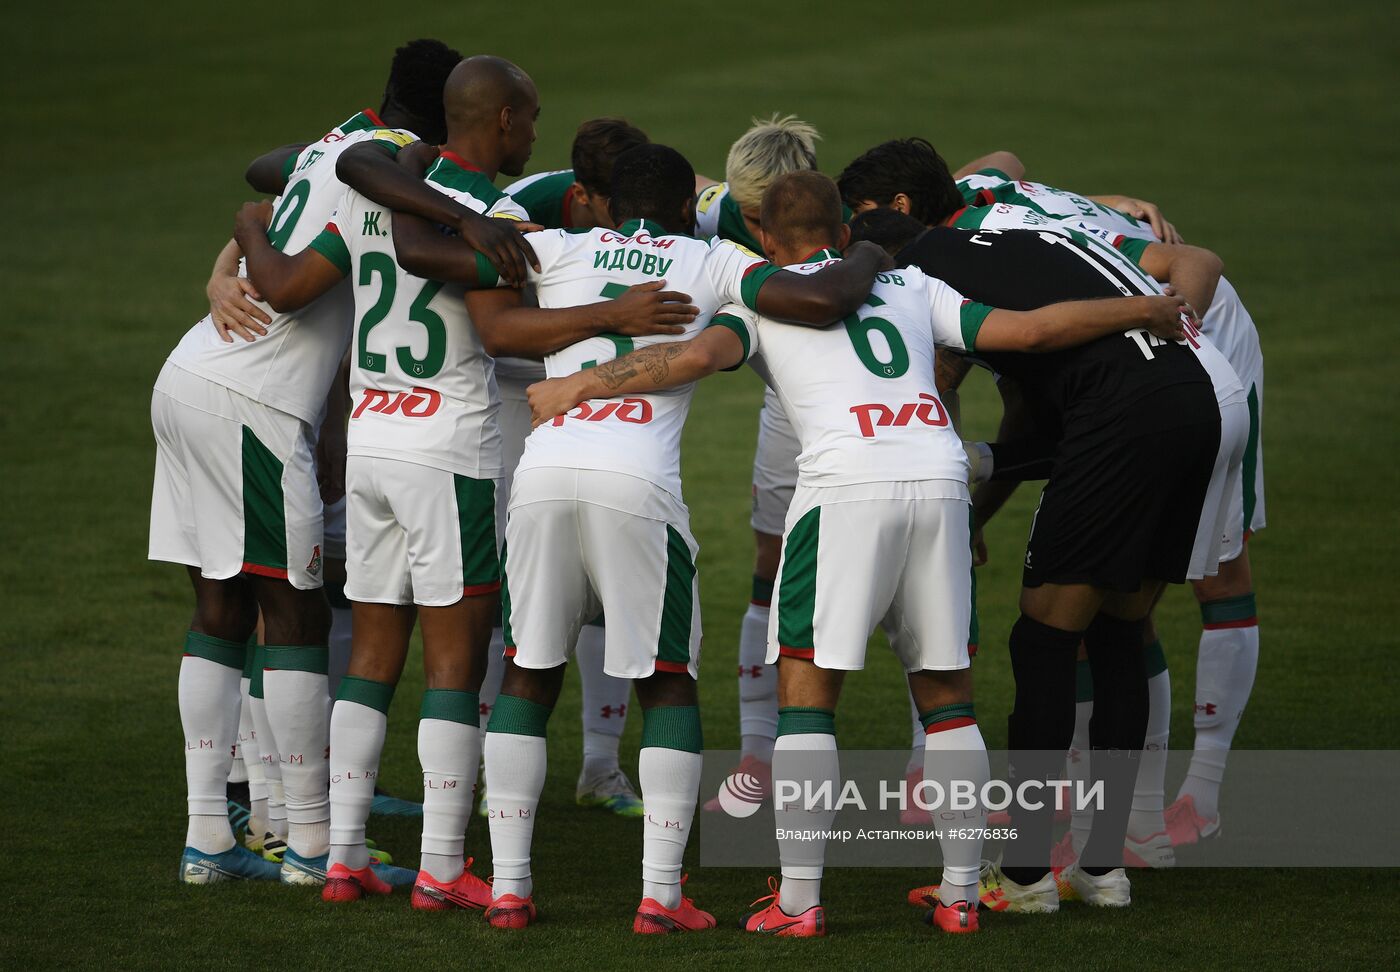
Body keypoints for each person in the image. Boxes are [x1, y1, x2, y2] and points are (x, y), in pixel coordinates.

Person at [527, 171, 1196, 936]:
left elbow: (690, 359)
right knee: (946, 695)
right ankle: (960, 896)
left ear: (766, 240)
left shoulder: (766, 298)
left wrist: (581, 384)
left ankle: (799, 901)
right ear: (845, 232)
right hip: (939, 481)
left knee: (807, 694)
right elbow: (1033, 332)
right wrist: (1141, 308)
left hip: (844, 490)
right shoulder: (914, 285)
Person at [455, 143, 888, 932]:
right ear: (689, 207)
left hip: (544, 472)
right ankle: (660, 896)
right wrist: (868, 251)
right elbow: (808, 294)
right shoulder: (715, 259)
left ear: (603, 203)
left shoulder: (556, 247)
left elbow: (471, 283)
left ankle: (510, 889)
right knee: (665, 682)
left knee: (527, 671)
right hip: (636, 485)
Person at [152, 38, 476, 885]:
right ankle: (306, 843)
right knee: (293, 614)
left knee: (221, 609)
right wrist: (248, 231)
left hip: (193, 377)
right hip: (251, 401)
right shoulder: (388, 165)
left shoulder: (336, 140)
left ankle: (211, 837)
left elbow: (266, 169)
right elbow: (297, 272)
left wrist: (238, 237)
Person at [848, 205, 1230, 912]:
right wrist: (982, 493)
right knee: (1119, 630)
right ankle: (1102, 871)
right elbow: (1041, 414)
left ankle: (1025, 877)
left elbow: (1036, 350)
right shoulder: (1016, 241)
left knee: (1044, 640)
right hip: (1199, 400)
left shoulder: (923, 268)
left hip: (1125, 412)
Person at [496, 117, 656, 817]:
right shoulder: (523, 207)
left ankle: (600, 765)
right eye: (614, 207)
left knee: (601, 583)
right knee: (513, 581)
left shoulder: (651, 215)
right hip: (514, 392)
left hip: (610, 398)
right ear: (583, 196)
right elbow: (490, 319)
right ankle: (487, 769)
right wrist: (606, 318)